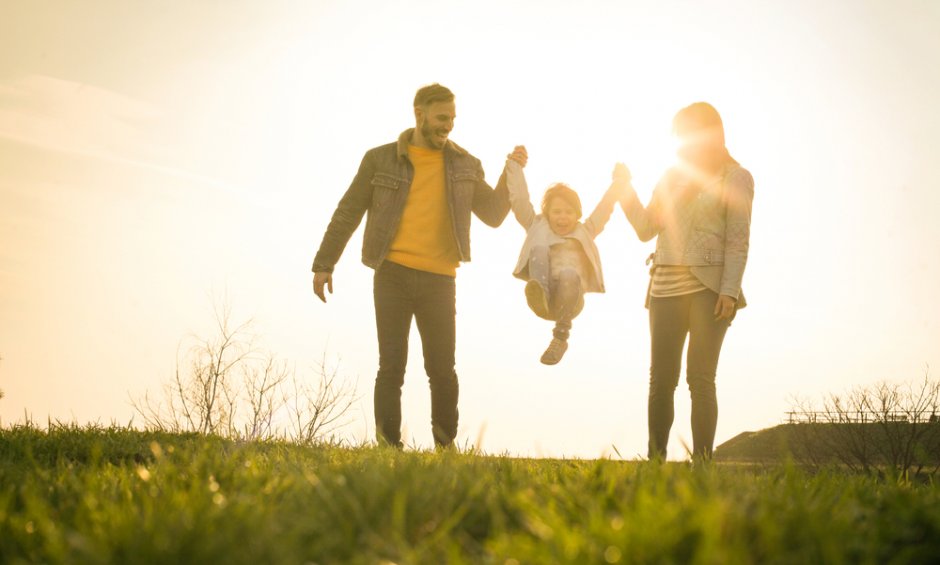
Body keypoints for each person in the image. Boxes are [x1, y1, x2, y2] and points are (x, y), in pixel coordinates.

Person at [311, 83, 515, 448]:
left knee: (442, 370)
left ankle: (445, 448)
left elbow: (495, 214)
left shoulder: (465, 164)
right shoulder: (379, 160)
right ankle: (389, 449)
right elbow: (348, 211)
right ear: (419, 114)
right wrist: (325, 263)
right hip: (393, 274)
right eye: (441, 118)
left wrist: (510, 172)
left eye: (452, 119)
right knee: (391, 366)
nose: (448, 125)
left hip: (440, 280)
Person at [618, 102, 754, 460]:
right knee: (661, 380)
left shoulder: (736, 177)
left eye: (688, 133)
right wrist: (625, 190)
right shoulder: (671, 176)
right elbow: (645, 228)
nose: (683, 141)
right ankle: (655, 463)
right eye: (678, 135)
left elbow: (737, 240)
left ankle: (702, 465)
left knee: (701, 379)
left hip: (709, 288)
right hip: (663, 285)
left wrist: (729, 291)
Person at [503, 149, 628, 365]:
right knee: (539, 249)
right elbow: (519, 200)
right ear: (547, 213)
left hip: (571, 300)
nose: (563, 217)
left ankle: (560, 338)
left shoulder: (585, 231)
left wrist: (619, 182)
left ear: (577, 215)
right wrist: (515, 166)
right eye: (557, 212)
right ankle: (540, 293)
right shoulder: (537, 226)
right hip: (543, 299)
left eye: (569, 212)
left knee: (569, 273)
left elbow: (605, 207)